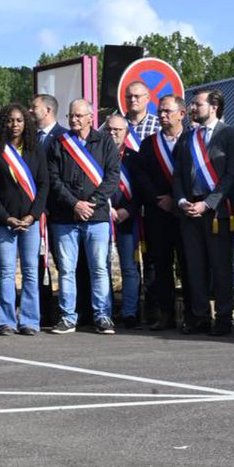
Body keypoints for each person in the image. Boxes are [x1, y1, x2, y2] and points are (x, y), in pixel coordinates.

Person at [46, 99, 120, 335]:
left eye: (79, 116)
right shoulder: (59, 143)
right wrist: (74, 204)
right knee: (67, 269)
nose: (75, 120)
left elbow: (112, 177)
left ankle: (102, 316)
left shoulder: (105, 142)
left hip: (96, 216)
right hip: (65, 217)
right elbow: (53, 179)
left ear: (91, 117)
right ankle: (68, 316)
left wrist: (92, 203)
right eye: (71, 116)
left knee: (99, 268)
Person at [172, 88, 234, 336]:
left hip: (217, 211)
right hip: (190, 210)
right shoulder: (187, 137)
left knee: (221, 266)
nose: (192, 108)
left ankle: (224, 317)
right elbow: (178, 174)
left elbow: (231, 176)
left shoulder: (230, 135)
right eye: (192, 104)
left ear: (213, 107)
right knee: (195, 266)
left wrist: (208, 203)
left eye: (197, 104)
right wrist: (181, 200)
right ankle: (200, 317)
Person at [0, 104, 48, 336]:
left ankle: (29, 320)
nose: (15, 125)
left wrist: (32, 215)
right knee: (6, 272)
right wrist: (6, 217)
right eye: (10, 120)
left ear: (25, 123)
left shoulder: (35, 150)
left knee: (30, 271)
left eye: (19, 120)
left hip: (30, 221)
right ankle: (6, 321)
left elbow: (44, 185)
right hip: (3, 222)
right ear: (3, 123)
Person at [135, 94, 190, 331]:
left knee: (188, 264)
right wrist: (160, 199)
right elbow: (141, 176)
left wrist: (176, 198)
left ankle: (193, 313)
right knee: (161, 266)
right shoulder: (149, 144)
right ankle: (165, 313)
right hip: (159, 212)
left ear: (182, 114)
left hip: (186, 212)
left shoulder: (191, 139)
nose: (162, 116)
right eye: (160, 112)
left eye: (168, 111)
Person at [31, 94, 68, 323]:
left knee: (64, 265)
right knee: (37, 264)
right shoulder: (31, 138)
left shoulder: (63, 137)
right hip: (35, 212)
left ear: (47, 110)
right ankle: (42, 311)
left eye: (33, 107)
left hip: (58, 213)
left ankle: (70, 311)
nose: (30, 110)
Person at [104, 115, 143, 329]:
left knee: (129, 267)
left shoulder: (134, 158)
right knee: (103, 267)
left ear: (126, 133)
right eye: (109, 129)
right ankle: (105, 311)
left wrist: (128, 210)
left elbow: (140, 190)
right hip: (103, 217)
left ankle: (130, 312)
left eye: (118, 130)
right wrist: (106, 208)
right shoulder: (96, 156)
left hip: (128, 219)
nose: (113, 133)